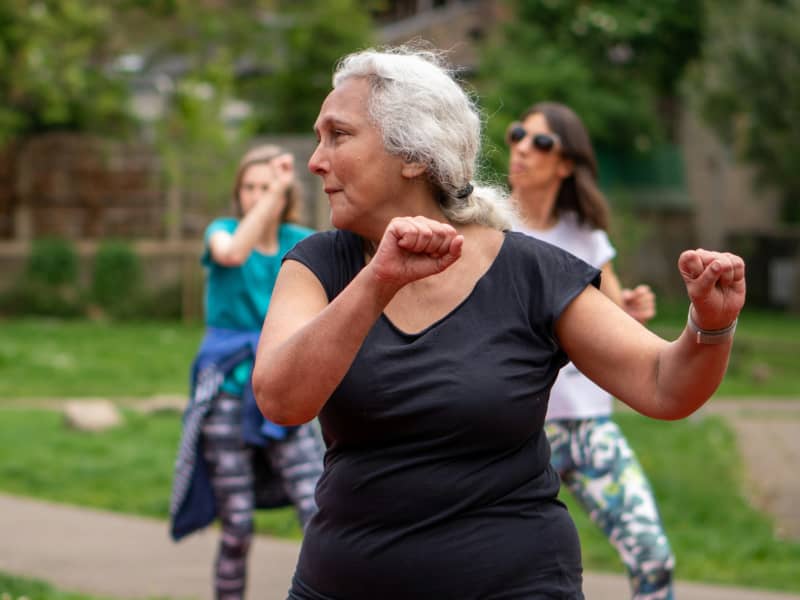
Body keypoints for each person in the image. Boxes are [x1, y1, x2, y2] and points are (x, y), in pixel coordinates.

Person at [251, 47, 746, 600]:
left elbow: (663, 385)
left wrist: (711, 325)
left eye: (338, 135)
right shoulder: (317, 266)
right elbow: (280, 399)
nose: (315, 160)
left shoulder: (531, 272)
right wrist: (376, 283)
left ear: (413, 155)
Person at [506, 101, 675, 600]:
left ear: (565, 164)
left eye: (540, 141)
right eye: (518, 133)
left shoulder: (587, 237)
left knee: (653, 556)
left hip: (588, 424)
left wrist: (629, 313)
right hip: (516, 431)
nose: (521, 146)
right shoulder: (488, 229)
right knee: (497, 572)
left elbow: (614, 321)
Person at [169, 145, 324, 600]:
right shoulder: (222, 232)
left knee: (317, 509)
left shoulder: (300, 240)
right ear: (238, 194)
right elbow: (234, 254)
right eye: (250, 187)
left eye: (267, 186)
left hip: (282, 387)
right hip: (226, 392)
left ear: (286, 193)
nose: (258, 195)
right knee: (236, 525)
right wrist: (274, 192)